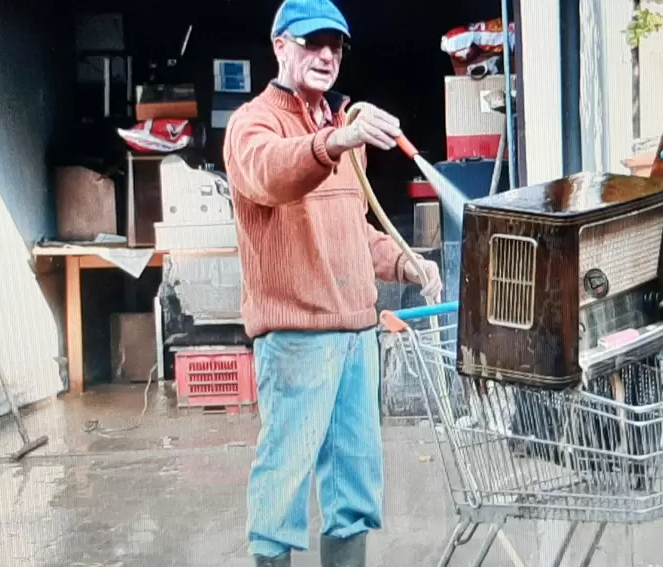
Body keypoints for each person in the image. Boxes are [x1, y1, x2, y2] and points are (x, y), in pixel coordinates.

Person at [222, 0, 443, 565]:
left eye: (335, 46)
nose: (325, 56)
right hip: (297, 337)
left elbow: (352, 229)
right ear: (280, 46)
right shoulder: (254, 124)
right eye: (311, 43)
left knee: (354, 490)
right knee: (283, 487)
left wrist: (405, 262)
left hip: (356, 335)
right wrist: (332, 144)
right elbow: (271, 174)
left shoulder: (340, 129)